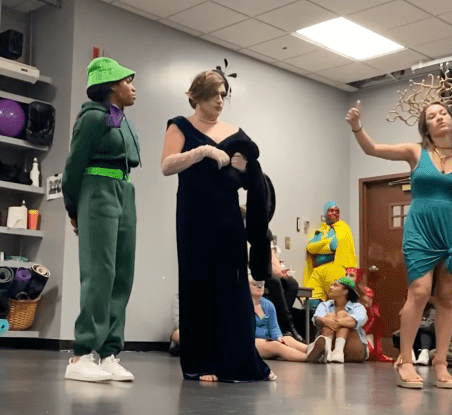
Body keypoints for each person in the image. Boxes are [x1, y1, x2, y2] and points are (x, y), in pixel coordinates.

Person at [346, 73, 452, 389]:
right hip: (421, 230)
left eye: (443, 113)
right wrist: (357, 126)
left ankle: (440, 362)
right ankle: (406, 359)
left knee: (447, 297)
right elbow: (373, 149)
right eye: (432, 115)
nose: (439, 117)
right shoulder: (416, 152)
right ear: (425, 127)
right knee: (420, 290)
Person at [161, 69, 273, 382]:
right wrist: (202, 152)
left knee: (232, 286)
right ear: (197, 96)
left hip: (228, 217)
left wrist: (243, 168)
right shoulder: (180, 126)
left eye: (224, 94)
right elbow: (166, 165)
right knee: (197, 285)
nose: (220, 100)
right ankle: (201, 363)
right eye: (214, 94)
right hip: (193, 217)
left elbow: (250, 178)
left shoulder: (236, 134)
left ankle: (239, 361)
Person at [62, 57, 141, 383]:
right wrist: (74, 210)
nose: (133, 87)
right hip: (97, 191)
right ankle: (81, 355)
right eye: (127, 81)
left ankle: (108, 354)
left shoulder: (122, 119)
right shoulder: (93, 117)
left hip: (124, 192)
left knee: (122, 275)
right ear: (111, 85)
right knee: (99, 273)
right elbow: (73, 168)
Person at [250, 275, 325, 362]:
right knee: (276, 345)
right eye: (255, 285)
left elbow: (274, 327)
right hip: (250, 341)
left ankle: (311, 349)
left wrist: (279, 337)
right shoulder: (242, 305)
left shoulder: (268, 305)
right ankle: (307, 357)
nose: (259, 287)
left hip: (267, 339)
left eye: (262, 285)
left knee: (287, 338)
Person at [304, 202, 357, 301]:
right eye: (331, 211)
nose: (334, 213)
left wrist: (319, 248)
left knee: (336, 299)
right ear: (325, 213)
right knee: (311, 300)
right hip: (318, 270)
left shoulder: (343, 228)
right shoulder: (321, 230)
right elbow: (310, 248)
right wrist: (326, 242)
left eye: (337, 211)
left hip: (334, 267)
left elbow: (333, 246)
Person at [312, 277, 368, 363]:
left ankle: (338, 350)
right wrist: (326, 320)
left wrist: (332, 322)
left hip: (352, 349)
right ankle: (328, 351)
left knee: (342, 314)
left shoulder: (358, 307)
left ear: (345, 291)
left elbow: (355, 321)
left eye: (335, 285)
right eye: (331, 285)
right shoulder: (324, 305)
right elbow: (317, 319)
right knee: (329, 316)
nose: (331, 287)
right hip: (329, 349)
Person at [346, 267, 393, 362]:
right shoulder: (342, 290)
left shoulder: (366, 291)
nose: (347, 277)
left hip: (366, 324)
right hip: (348, 323)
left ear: (358, 278)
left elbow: (369, 312)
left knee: (368, 352)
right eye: (346, 275)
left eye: (351, 275)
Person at [264, 242, 303, 341]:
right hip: (258, 269)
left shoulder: (269, 239)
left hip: (271, 268)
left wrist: (281, 270)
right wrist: (275, 271)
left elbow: (273, 256)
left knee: (292, 283)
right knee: (275, 281)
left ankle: (281, 323)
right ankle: (288, 324)